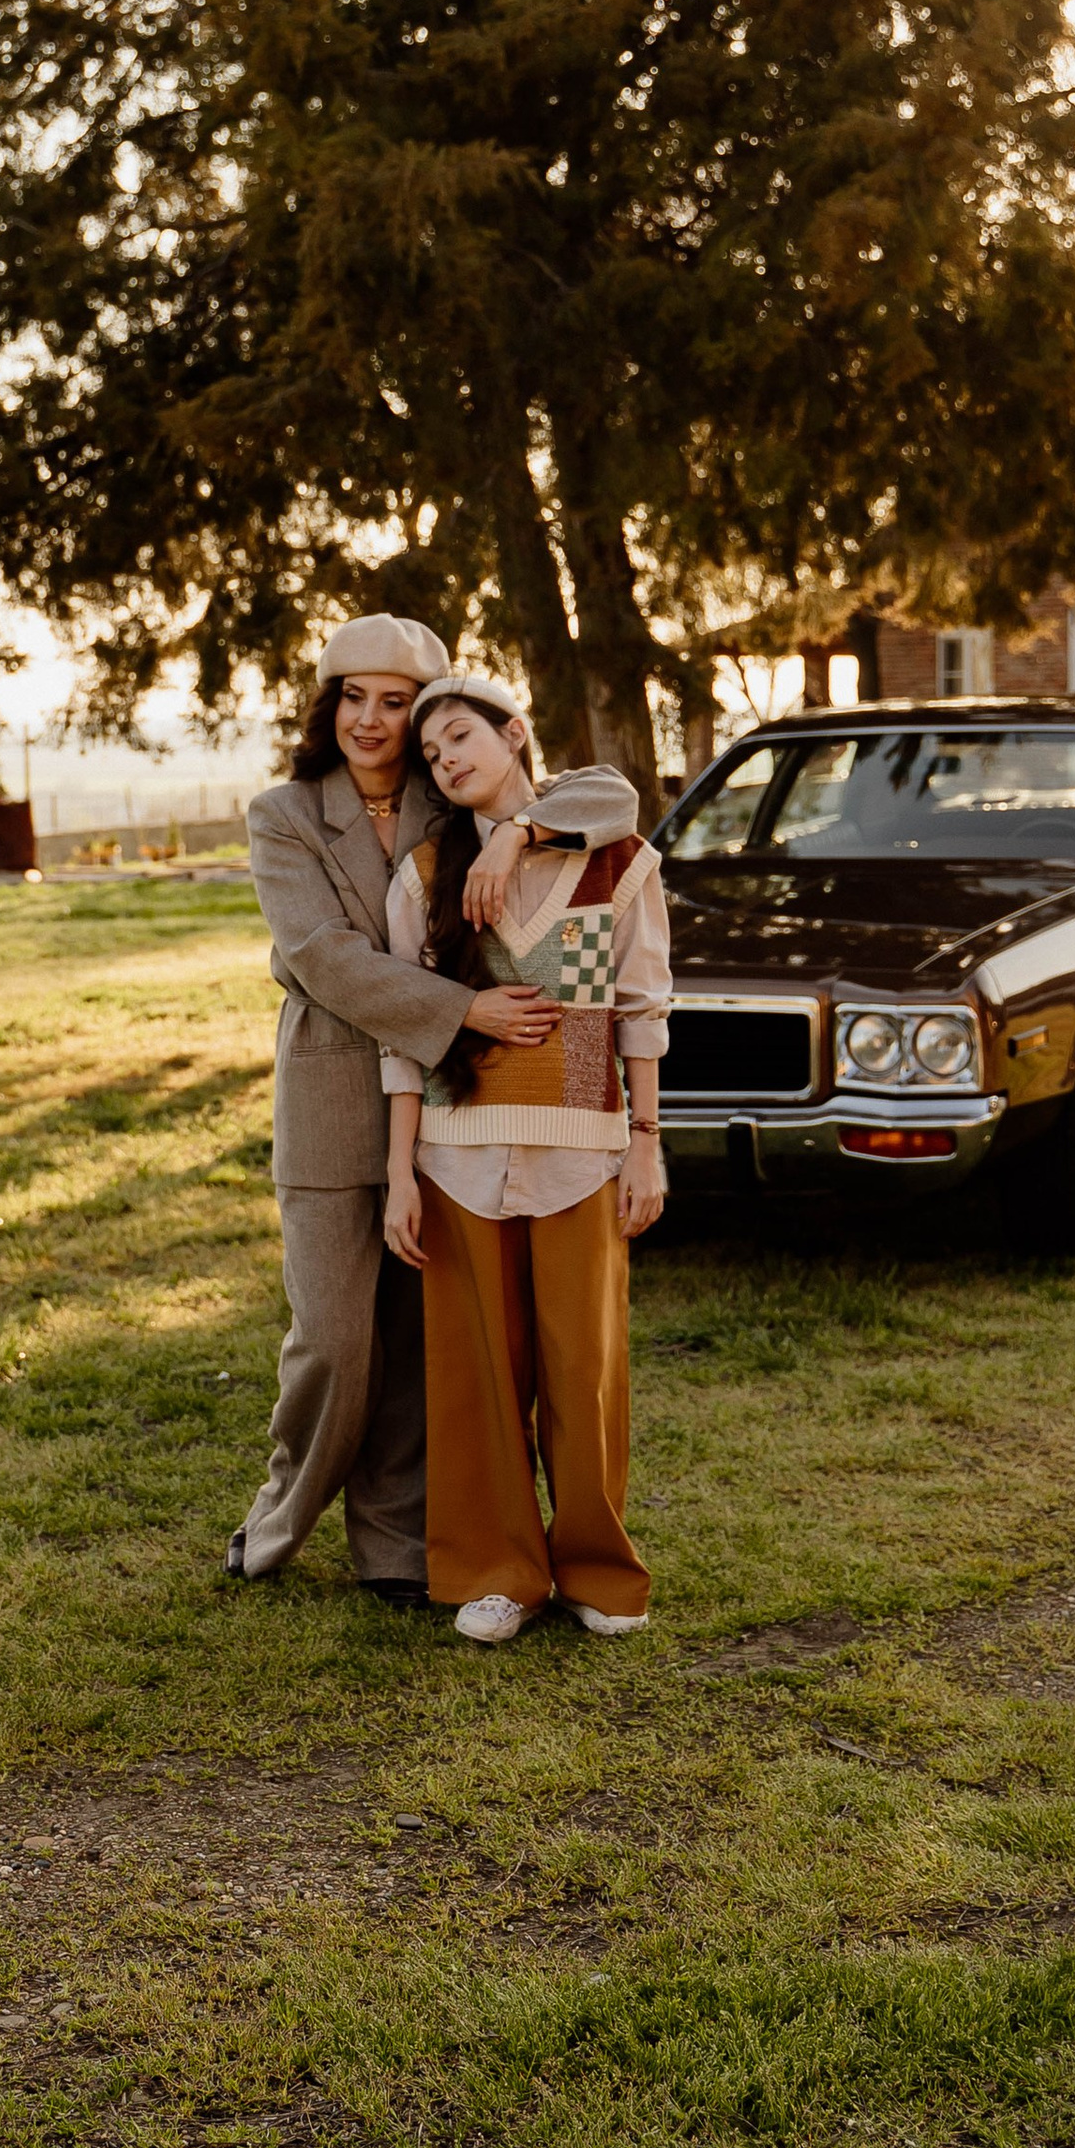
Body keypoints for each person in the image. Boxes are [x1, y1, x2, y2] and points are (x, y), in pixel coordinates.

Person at [231, 618, 560, 1600]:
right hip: (334, 1099)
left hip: (451, 1103)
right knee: (334, 1336)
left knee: (418, 1343)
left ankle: (391, 1547)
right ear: (324, 704)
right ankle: (282, 1509)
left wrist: (526, 832)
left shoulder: (451, 795)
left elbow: (593, 793)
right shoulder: (282, 812)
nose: (369, 719)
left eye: (392, 701)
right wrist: (463, 1007)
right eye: (351, 696)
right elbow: (321, 958)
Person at [379, 674, 672, 1644]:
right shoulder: (425, 878)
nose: (446, 759)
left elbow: (638, 1010)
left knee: (582, 1368)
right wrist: (396, 1177)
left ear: (513, 734)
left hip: (582, 1148)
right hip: (455, 1153)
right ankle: (499, 1571)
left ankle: (594, 1567)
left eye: (460, 736)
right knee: (479, 1379)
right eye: (430, 755)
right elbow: (403, 1037)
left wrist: (644, 1144)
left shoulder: (614, 862)